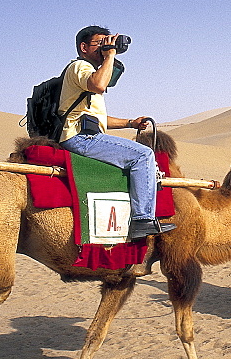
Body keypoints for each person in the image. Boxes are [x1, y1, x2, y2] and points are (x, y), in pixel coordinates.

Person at [58, 25, 174, 241]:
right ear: (83, 47)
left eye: (107, 43)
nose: (105, 47)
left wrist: (130, 123)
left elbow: (99, 119)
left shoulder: (86, 75)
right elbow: (99, 85)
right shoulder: (80, 66)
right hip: (81, 139)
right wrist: (110, 54)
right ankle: (142, 220)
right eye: (100, 43)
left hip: (86, 135)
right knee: (143, 155)